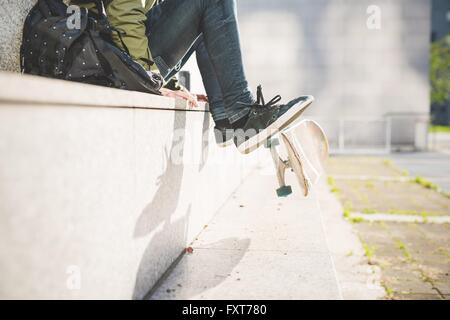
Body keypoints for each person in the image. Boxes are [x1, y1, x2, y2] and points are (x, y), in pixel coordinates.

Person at [70, 0, 309, 154]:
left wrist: (173, 83)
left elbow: (156, 21)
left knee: (209, 15)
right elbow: (124, 14)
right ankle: (241, 115)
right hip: (101, 65)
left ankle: (228, 117)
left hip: (116, 57)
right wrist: (146, 77)